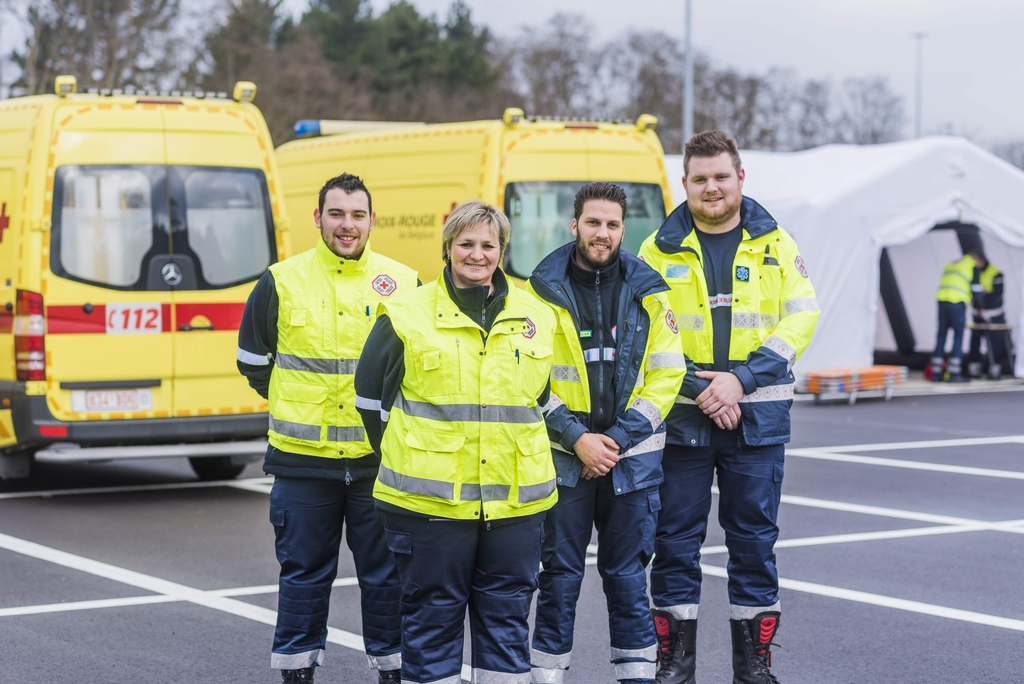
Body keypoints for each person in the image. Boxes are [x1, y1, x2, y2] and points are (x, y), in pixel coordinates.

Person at [638, 130, 819, 684]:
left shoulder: (777, 243)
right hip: (686, 420)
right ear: (684, 184)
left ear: (741, 177)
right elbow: (648, 337)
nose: (711, 187)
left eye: (721, 176)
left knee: (754, 545)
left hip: (757, 420)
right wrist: (703, 391)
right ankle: (676, 667)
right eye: (700, 179)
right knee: (673, 546)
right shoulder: (654, 251)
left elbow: (801, 319)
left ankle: (754, 668)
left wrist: (739, 382)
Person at [354, 201, 558, 684]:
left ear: (502, 252)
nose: (477, 254)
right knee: (431, 624)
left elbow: (539, 400)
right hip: (430, 504)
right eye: (466, 244)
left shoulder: (537, 316)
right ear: (447, 249)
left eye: (488, 245)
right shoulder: (405, 314)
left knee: (507, 628)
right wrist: (413, 455)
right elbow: (369, 401)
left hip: (514, 505)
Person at [237, 173, 417, 684]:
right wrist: (294, 400)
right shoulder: (281, 279)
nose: (347, 225)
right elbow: (253, 360)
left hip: (376, 462)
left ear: (371, 221)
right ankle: (297, 673)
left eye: (357, 215)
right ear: (317, 218)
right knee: (303, 576)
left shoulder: (404, 283)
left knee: (385, 577)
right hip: (301, 461)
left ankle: (391, 672)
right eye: (336, 214)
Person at [526, 182, 687, 684]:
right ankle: (547, 676)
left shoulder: (652, 292)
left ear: (623, 229)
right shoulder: (539, 291)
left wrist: (613, 440)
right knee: (558, 581)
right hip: (564, 461)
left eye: (612, 224)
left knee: (627, 582)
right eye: (593, 222)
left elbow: (667, 375)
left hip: (629, 463)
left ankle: (636, 677)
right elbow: (525, 376)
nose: (602, 233)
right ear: (574, 226)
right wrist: (576, 438)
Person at [931, 251, 981, 382]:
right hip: (957, 303)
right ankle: (954, 373)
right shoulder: (971, 266)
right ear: (976, 258)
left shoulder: (952, 264)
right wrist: (980, 308)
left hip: (942, 301)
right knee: (958, 336)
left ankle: (935, 373)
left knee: (941, 336)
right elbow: (976, 290)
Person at [967, 254, 1007, 379]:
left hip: (993, 315)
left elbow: (998, 293)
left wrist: (983, 294)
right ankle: (974, 370)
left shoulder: (996, 273)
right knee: (975, 342)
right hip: (978, 314)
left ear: (982, 260)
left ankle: (995, 370)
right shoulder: (973, 272)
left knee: (993, 343)